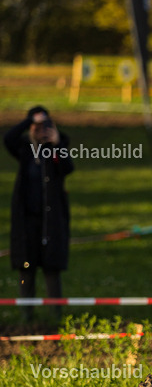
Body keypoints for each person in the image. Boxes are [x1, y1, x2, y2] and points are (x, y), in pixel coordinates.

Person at [4, 106, 74, 299]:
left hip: (51, 220)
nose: (40, 130)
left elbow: (68, 168)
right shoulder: (25, 150)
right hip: (27, 221)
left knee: (52, 267)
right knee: (26, 266)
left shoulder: (56, 149)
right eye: (37, 126)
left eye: (44, 126)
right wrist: (29, 122)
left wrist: (57, 144)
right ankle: (26, 314)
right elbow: (8, 138)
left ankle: (55, 313)